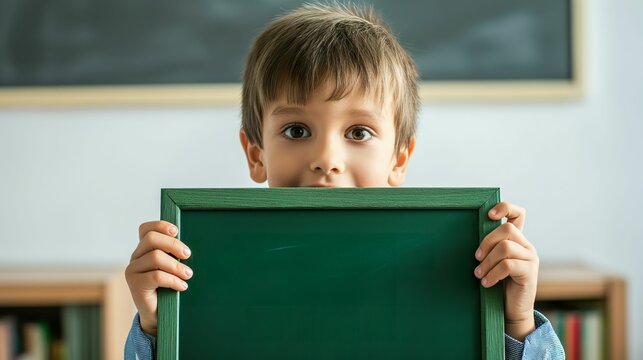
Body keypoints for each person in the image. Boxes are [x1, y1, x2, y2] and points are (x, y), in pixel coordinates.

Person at [124, 3, 564, 359]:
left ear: (399, 158)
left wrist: (514, 324)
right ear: (256, 154)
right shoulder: (206, 272)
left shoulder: (452, 268)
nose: (326, 160)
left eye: (358, 133)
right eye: (296, 131)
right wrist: (159, 327)